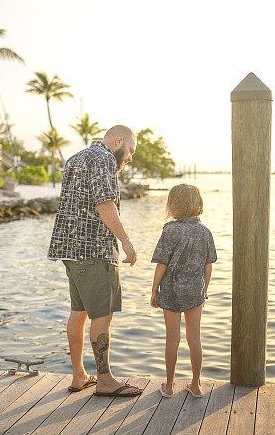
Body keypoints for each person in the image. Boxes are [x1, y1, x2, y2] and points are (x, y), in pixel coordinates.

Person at [47, 124, 143, 397]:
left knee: (79, 312)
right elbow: (105, 203)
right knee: (103, 313)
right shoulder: (104, 160)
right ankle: (104, 380)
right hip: (93, 250)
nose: (129, 157)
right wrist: (126, 242)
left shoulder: (75, 159)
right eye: (130, 151)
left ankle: (79, 375)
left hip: (69, 251)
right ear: (119, 140)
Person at [150, 183, 217, 397]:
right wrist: (203, 290)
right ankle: (196, 385)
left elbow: (162, 264)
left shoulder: (170, 230)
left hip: (170, 291)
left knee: (173, 338)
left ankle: (169, 386)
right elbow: (208, 266)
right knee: (194, 338)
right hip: (194, 293)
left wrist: (154, 291)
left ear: (173, 205)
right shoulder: (205, 232)